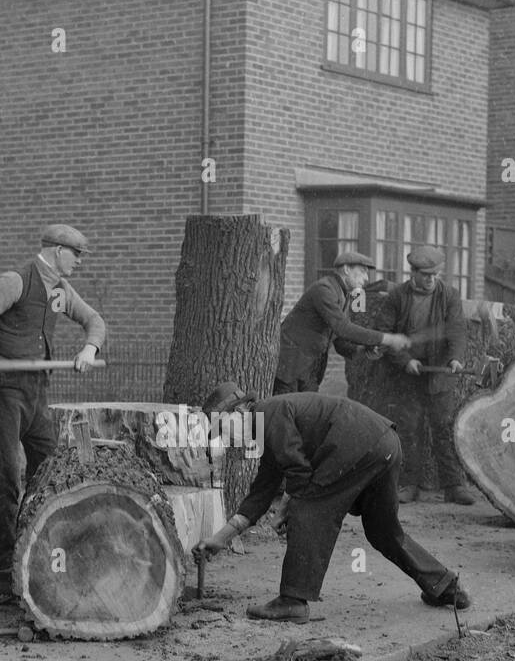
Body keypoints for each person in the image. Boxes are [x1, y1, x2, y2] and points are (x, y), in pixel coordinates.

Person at [193, 382, 469, 622]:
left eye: (222, 428)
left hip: (357, 446)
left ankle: (292, 600)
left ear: (240, 411)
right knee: (382, 532)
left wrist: (287, 511)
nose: (225, 439)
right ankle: (445, 585)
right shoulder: (266, 429)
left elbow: (300, 474)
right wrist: (221, 537)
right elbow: (261, 494)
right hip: (385, 445)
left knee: (309, 510)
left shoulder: (268, 413)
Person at [0, 224, 107, 574]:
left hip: (36, 392)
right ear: (57, 250)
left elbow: (95, 320)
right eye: (76, 254)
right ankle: (3, 566)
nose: (80, 262)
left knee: (48, 469)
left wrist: (89, 347)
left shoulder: (61, 289)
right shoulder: (15, 281)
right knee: (6, 477)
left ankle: (37, 552)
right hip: (3, 391)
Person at [373, 245, 475, 505]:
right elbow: (383, 333)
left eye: (435, 275)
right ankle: (409, 484)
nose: (431, 279)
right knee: (409, 429)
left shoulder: (449, 295)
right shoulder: (397, 296)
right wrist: (405, 361)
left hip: (439, 374)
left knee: (444, 428)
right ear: (414, 273)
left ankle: (453, 485)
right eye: (426, 275)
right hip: (407, 376)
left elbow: (457, 332)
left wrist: (455, 358)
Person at [272, 251, 411, 394]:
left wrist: (362, 350)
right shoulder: (324, 289)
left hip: (308, 370)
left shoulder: (343, 294)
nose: (366, 278)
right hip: (289, 369)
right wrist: (387, 338)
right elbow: (343, 328)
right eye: (363, 272)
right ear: (346, 269)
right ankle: (253, 417)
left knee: (307, 413)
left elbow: (339, 341)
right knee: (278, 412)